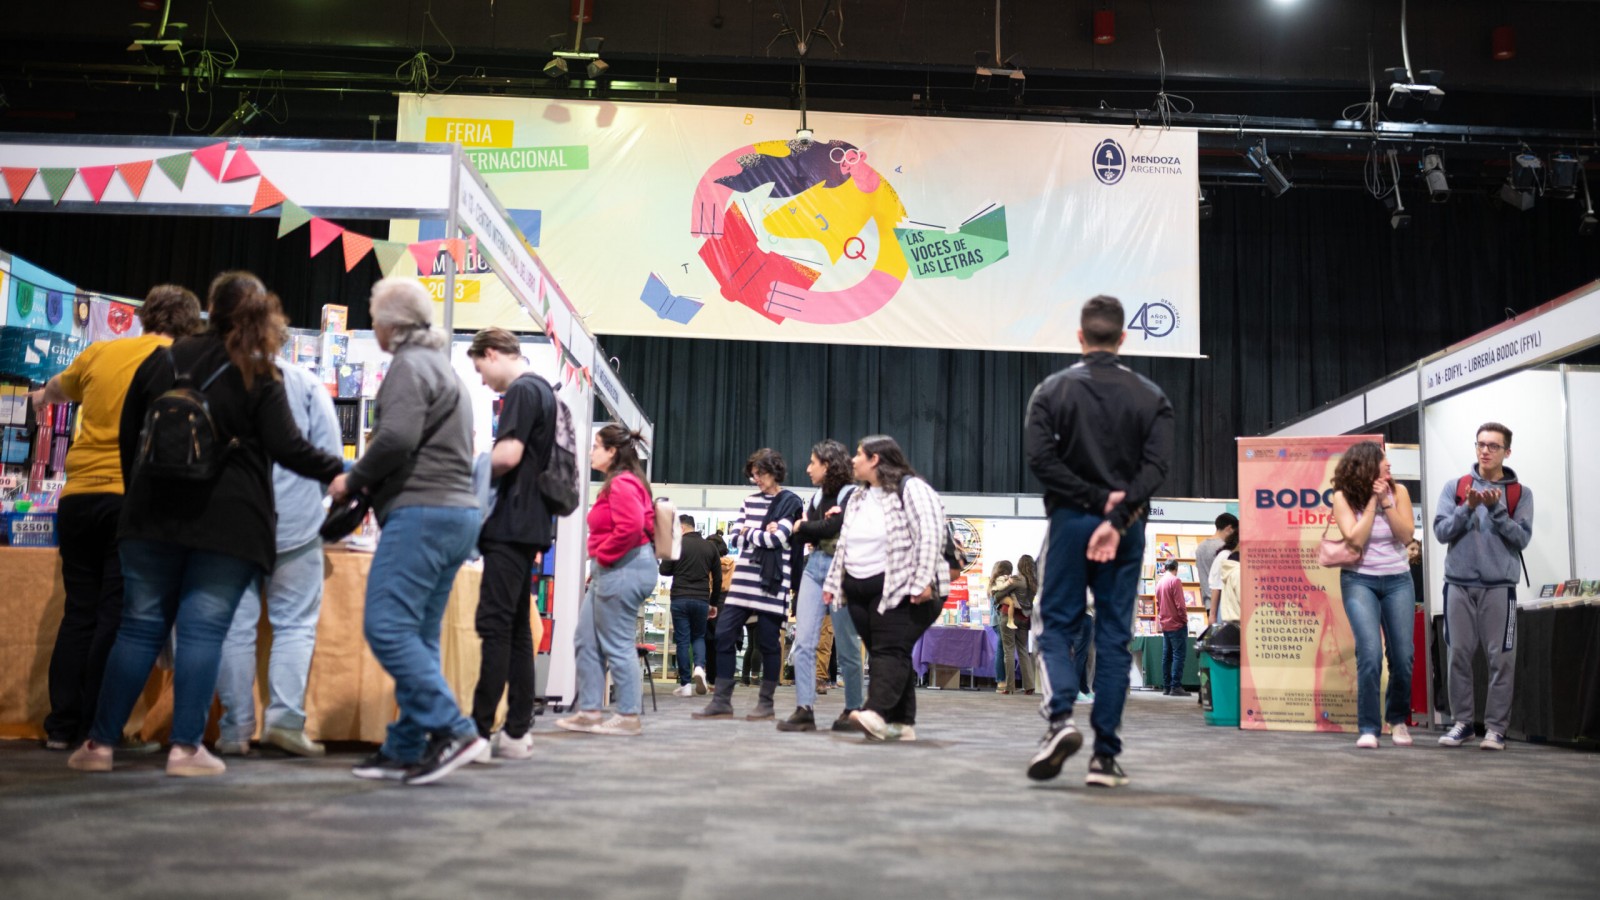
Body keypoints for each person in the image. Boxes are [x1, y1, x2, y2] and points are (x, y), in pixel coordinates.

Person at [67, 273, 344, 778]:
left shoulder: (162, 360)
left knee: (137, 629)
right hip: (226, 525)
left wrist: (140, 500)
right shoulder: (258, 372)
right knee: (203, 632)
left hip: (149, 519)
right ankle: (185, 750)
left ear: (209, 311)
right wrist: (339, 474)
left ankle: (97, 744)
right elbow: (288, 447)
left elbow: (131, 439)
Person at [29, 284, 202, 752]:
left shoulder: (100, 352)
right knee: (115, 615)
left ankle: (61, 726)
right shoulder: (178, 363)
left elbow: (55, 389)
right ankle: (96, 728)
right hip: (130, 498)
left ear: (146, 316)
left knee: (78, 612)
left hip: (77, 497)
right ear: (189, 323)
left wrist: (40, 399)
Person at [327, 277, 485, 785]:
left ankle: (454, 729)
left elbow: (395, 438)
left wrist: (352, 479)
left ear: (390, 324)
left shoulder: (407, 366)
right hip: (455, 516)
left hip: (422, 512)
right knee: (418, 635)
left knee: (387, 627)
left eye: (374, 317)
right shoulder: (442, 369)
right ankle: (406, 746)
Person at [1023, 295, 1173, 786]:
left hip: (1070, 521)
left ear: (1080, 337)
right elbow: (1156, 468)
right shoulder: (1152, 397)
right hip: (1126, 527)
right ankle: (1104, 757)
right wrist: (1119, 512)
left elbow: (1041, 460)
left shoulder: (1052, 390)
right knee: (1113, 636)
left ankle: (1060, 720)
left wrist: (1091, 500)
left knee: (1054, 625)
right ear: (1123, 338)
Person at [214, 356, 343, 759]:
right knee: (295, 625)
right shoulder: (304, 382)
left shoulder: (216, 376)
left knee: (234, 628)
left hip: (233, 521)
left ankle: (234, 729)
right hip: (297, 521)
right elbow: (329, 454)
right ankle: (285, 722)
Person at [464, 327, 557, 761]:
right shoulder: (543, 391)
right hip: (530, 524)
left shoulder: (521, 391)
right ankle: (516, 731)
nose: (483, 381)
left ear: (493, 353)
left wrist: (471, 467)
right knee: (518, 628)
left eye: (480, 370)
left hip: (510, 524)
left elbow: (508, 456)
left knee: (495, 625)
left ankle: (478, 732)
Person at [822, 435, 950, 742]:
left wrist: (922, 581)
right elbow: (844, 543)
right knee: (889, 651)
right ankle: (901, 723)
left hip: (900, 588)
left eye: (858, 454)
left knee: (889, 650)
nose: (853, 460)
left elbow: (930, 535)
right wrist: (833, 582)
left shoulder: (912, 488)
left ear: (875, 459)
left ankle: (876, 712)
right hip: (858, 590)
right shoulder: (858, 497)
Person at [1433, 422, 1533, 752]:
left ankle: (1496, 729)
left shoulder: (1520, 493)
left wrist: (1496, 509)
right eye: (1480, 444)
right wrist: (1468, 507)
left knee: (1501, 660)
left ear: (1507, 451)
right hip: (1458, 585)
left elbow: (1522, 539)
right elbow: (1441, 532)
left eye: (1493, 445)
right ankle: (1462, 723)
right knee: (1458, 656)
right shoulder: (1456, 487)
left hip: (1500, 587)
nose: (1485, 451)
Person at [554, 424, 658, 737]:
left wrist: (603, 556)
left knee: (617, 643)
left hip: (623, 568)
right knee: (586, 639)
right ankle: (589, 711)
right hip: (615, 568)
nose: (590, 452)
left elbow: (631, 527)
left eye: (596, 446)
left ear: (612, 452)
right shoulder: (624, 481)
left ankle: (628, 715)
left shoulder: (623, 483)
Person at [695, 448, 803, 721]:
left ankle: (766, 704)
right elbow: (735, 538)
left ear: (774, 472)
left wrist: (750, 532)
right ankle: (722, 701)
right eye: (753, 474)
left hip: (772, 583)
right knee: (723, 634)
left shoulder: (789, 502)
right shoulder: (749, 502)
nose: (757, 479)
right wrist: (759, 533)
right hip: (743, 582)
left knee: (768, 642)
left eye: (761, 474)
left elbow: (778, 539)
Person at [1329, 440, 1417, 750]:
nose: (1389, 465)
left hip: (1398, 580)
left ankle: (1397, 719)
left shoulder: (1400, 492)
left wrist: (1387, 502)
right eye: (1383, 460)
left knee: (1403, 656)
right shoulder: (1342, 496)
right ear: (1367, 465)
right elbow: (1355, 538)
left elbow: (1406, 535)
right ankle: (1368, 727)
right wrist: (1371, 502)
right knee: (1369, 654)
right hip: (1359, 580)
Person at [780, 439, 867, 732]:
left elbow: (830, 527)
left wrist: (805, 526)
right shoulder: (817, 497)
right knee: (803, 642)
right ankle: (804, 708)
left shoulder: (852, 494)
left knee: (847, 644)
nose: (808, 469)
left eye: (812, 463)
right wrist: (810, 528)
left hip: (842, 569)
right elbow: (804, 535)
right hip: (814, 567)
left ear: (827, 465)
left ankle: (853, 709)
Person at [661, 514, 722, 697]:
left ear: (681, 528)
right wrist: (713, 603)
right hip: (701, 599)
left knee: (682, 640)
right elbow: (718, 579)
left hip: (679, 598)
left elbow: (664, 570)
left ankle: (686, 684)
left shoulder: (676, 544)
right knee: (698, 637)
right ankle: (700, 668)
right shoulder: (710, 547)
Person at [993, 557, 1037, 695]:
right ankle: (1029, 686)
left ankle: (1009, 687)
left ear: (1019, 565)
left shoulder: (1017, 580)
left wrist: (998, 595)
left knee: (1009, 651)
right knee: (1023, 651)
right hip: (1025, 618)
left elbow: (998, 595)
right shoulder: (1033, 583)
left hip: (1009, 616)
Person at [1194, 513, 1238, 622]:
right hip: (1221, 604)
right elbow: (1218, 582)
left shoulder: (1200, 547)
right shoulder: (1225, 550)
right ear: (1229, 528)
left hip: (1208, 602)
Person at [1154, 560, 1189, 697]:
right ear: (1176, 568)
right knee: (1178, 655)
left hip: (1165, 624)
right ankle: (1176, 686)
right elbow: (1180, 604)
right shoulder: (1175, 581)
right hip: (1177, 624)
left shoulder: (1159, 583)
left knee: (1166, 657)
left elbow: (1158, 604)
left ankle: (1167, 687)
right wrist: (1184, 619)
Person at [1207, 531, 1239, 621]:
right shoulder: (1225, 555)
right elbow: (1216, 586)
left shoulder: (1229, 555)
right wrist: (1212, 615)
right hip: (1225, 606)